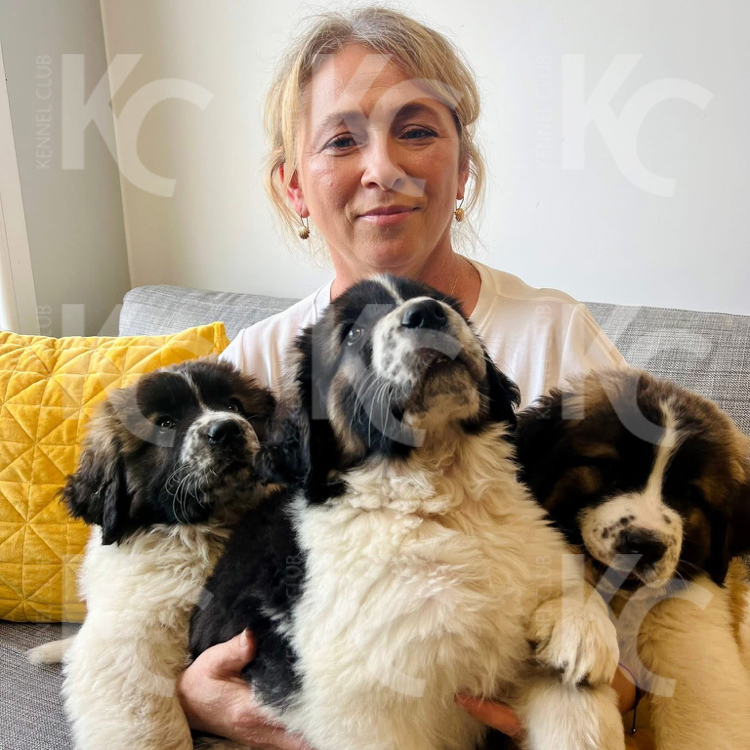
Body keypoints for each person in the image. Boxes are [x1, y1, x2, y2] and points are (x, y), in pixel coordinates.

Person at [177, 6, 636, 748]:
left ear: (463, 167)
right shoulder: (257, 369)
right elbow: (161, 585)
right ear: (294, 186)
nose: (383, 169)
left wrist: (586, 697)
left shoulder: (556, 338)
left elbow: (652, 612)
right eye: (341, 140)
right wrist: (196, 699)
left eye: (416, 130)